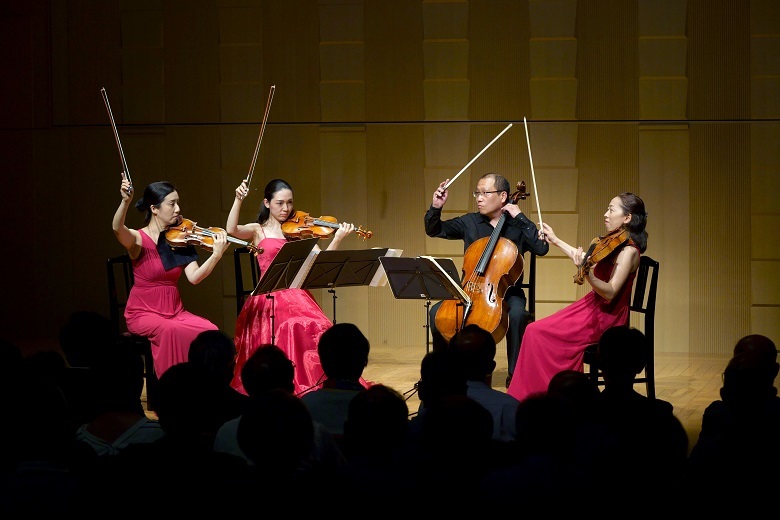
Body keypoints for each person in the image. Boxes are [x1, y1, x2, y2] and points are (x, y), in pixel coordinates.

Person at [507, 192, 648, 402]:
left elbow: (610, 291)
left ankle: (551, 398)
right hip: (591, 307)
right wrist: (555, 241)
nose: (605, 214)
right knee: (534, 330)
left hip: (606, 317)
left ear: (627, 218)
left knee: (536, 332)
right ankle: (535, 394)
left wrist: (588, 274)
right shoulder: (614, 243)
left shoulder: (629, 252)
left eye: (611, 209)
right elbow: (584, 258)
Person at [227, 178, 355, 395]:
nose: (286, 209)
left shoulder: (296, 231)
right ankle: (288, 381)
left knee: (320, 326)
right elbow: (231, 230)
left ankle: (317, 382)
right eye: (279, 203)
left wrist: (338, 238)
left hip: (296, 293)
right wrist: (238, 199)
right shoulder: (258, 230)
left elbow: (319, 262)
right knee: (294, 324)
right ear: (267, 203)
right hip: (268, 294)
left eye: (289, 203)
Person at [425, 172, 549, 388]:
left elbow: (542, 248)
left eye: (484, 193)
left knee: (518, 315)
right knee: (437, 313)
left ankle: (515, 377)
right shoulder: (470, 222)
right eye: (477, 193)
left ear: (503, 196)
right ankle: (444, 375)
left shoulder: (518, 226)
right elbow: (435, 230)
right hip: (468, 291)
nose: (479, 198)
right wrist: (436, 207)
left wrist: (520, 216)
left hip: (507, 293)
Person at [112, 178, 229, 379]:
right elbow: (117, 228)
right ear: (154, 209)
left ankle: (203, 386)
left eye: (177, 203)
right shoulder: (138, 239)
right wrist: (125, 202)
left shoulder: (178, 239)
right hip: (143, 313)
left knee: (210, 332)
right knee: (170, 330)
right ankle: (172, 391)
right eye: (172, 203)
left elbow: (194, 277)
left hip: (175, 311)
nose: (178, 209)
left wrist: (216, 256)